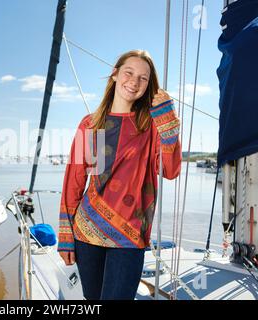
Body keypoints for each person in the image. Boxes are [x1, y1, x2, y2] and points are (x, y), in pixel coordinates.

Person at [57, 50, 182, 300]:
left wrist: (168, 126)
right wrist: (65, 235)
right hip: (87, 231)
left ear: (149, 86)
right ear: (114, 74)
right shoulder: (91, 125)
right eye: (129, 73)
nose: (134, 82)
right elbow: (74, 182)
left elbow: (170, 171)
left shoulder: (150, 125)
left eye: (143, 78)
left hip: (130, 236)